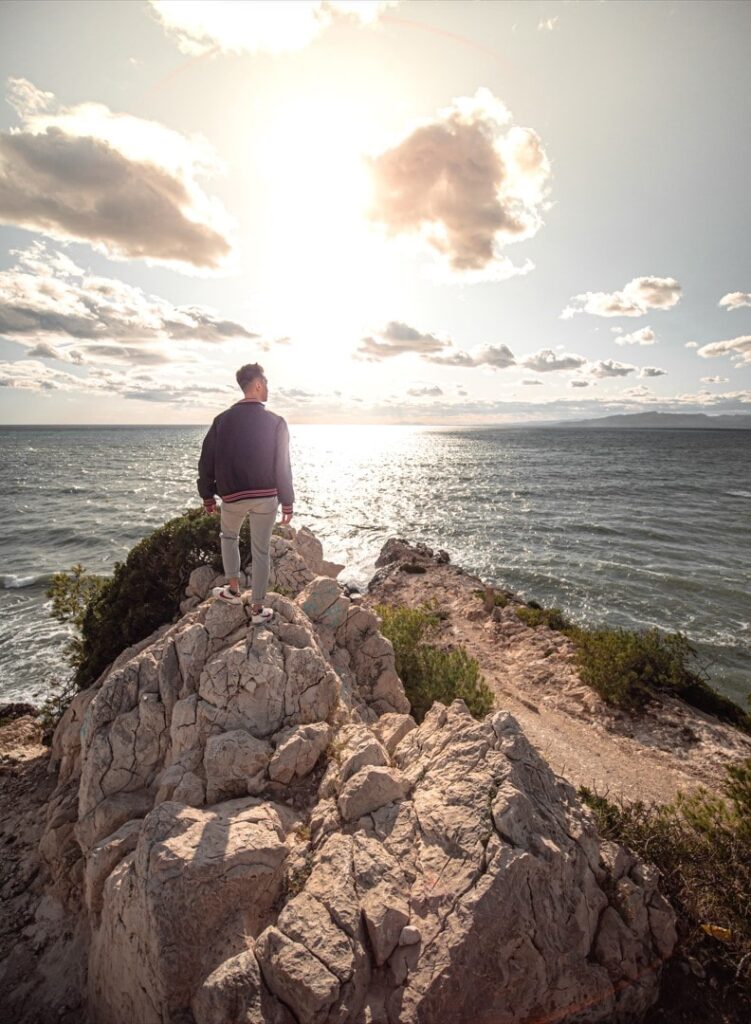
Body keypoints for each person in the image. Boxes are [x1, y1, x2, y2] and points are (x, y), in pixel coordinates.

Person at [197, 363, 294, 624]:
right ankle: (258, 610)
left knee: (228, 537)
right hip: (266, 498)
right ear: (259, 384)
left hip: (232, 498)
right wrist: (287, 502)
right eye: (267, 384)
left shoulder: (221, 420)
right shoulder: (276, 422)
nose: (268, 389)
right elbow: (282, 465)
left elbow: (206, 460)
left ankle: (232, 589)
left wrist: (207, 495)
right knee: (260, 550)